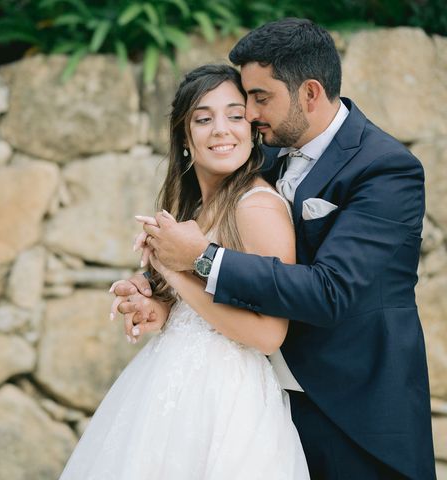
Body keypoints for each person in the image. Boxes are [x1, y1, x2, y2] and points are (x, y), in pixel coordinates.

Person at [115, 18, 435, 480]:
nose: (249, 112)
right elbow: (219, 224)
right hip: (264, 405)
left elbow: (331, 291)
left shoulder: (385, 169)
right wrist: (155, 288)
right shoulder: (264, 150)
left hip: (355, 415)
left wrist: (200, 259)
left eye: (260, 98)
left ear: (308, 93)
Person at [60, 64, 309, 479]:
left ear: (251, 129)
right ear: (185, 138)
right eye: (204, 118)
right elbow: (203, 304)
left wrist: (175, 273)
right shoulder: (197, 208)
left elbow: (268, 334)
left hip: (225, 401)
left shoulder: (257, 208)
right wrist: (155, 302)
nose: (222, 130)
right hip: (168, 390)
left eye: (234, 115)